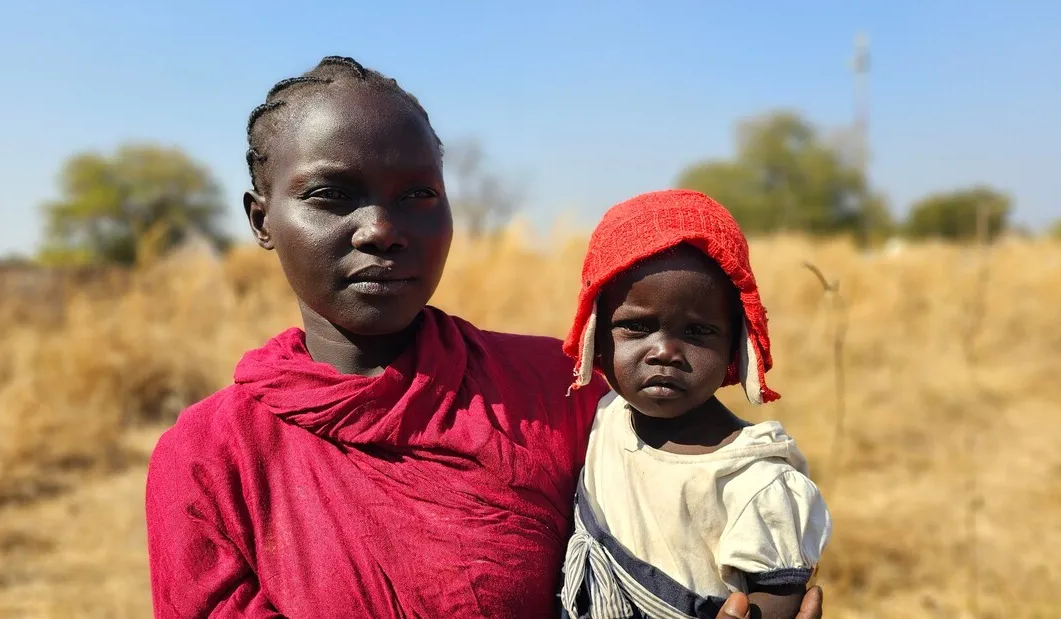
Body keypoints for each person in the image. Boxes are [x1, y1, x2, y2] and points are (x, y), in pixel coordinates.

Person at [144, 56, 825, 618]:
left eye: (417, 195)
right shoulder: (209, 459)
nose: (381, 228)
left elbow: (716, 495)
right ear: (262, 220)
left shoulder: (555, 389)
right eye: (332, 194)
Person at [558, 190, 832, 619]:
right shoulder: (605, 417)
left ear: (735, 346)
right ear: (596, 331)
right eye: (636, 326)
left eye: (698, 331)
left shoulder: (752, 480)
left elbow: (776, 598)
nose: (665, 351)